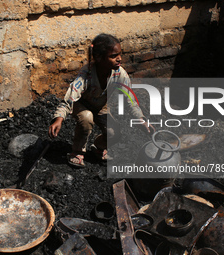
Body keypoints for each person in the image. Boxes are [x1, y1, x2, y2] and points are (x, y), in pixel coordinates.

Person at [48, 33, 154, 168]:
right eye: (113, 56)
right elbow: (70, 96)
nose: (119, 59)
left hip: (101, 106)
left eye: (119, 54)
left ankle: (99, 147)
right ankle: (77, 152)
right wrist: (59, 118)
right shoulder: (87, 74)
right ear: (99, 58)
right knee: (86, 118)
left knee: (114, 133)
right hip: (82, 105)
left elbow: (130, 100)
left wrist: (140, 119)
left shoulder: (120, 74)